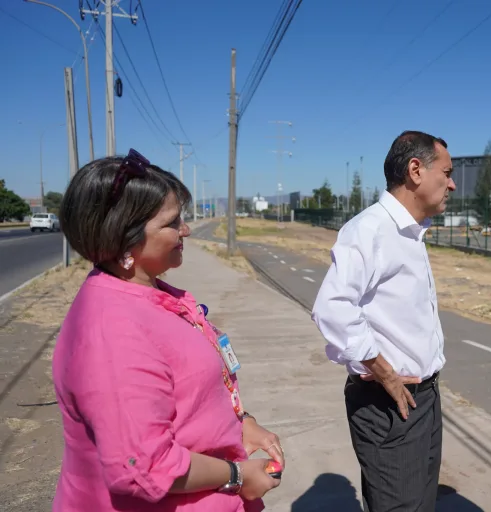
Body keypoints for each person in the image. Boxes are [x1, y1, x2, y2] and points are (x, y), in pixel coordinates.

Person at [53, 149, 284, 511]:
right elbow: (142, 467)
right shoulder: (113, 330)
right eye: (172, 223)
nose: (185, 230)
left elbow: (189, 395)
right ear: (125, 240)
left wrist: (241, 423)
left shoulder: (152, 294)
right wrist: (237, 474)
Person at [311, 131, 455, 511]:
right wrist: (384, 370)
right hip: (388, 402)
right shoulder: (371, 229)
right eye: (447, 172)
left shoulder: (409, 233)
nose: (452, 183)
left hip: (422, 399)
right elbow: (333, 305)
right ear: (415, 170)